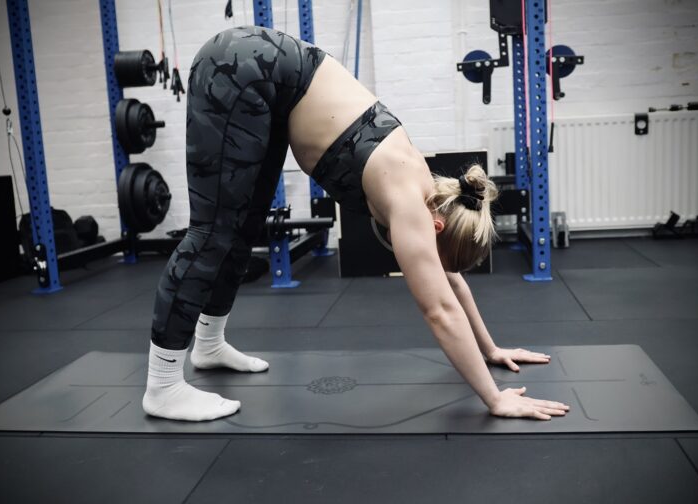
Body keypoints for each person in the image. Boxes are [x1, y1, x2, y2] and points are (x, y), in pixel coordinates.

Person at [142, 25, 570, 422]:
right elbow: (439, 310)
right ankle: (162, 387)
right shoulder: (409, 202)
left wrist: (490, 349)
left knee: (245, 225)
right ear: (437, 228)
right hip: (239, 68)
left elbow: (451, 281)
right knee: (212, 233)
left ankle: (209, 346)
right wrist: (495, 399)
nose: (440, 271)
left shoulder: (436, 195)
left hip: (271, 87)